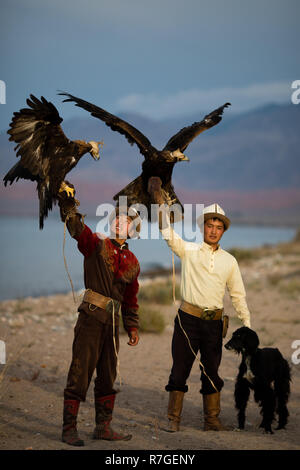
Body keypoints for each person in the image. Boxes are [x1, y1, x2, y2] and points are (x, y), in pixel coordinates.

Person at [147, 176, 251, 432]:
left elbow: (238, 295)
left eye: (218, 226)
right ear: (203, 227)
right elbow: (168, 233)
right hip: (187, 320)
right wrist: (158, 203)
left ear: (223, 230)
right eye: (209, 225)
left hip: (215, 324)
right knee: (180, 369)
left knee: (212, 372)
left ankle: (212, 420)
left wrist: (247, 325)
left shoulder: (230, 261)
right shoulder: (188, 250)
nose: (214, 230)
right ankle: (173, 419)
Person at [58, 181, 141, 446]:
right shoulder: (95, 245)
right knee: (80, 372)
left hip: (113, 323)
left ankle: (102, 428)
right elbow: (77, 230)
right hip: (91, 318)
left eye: (125, 221)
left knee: (108, 375)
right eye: (116, 218)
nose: (119, 223)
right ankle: (69, 429)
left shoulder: (133, 262)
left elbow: (130, 298)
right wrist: (68, 202)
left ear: (132, 229)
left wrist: (133, 326)